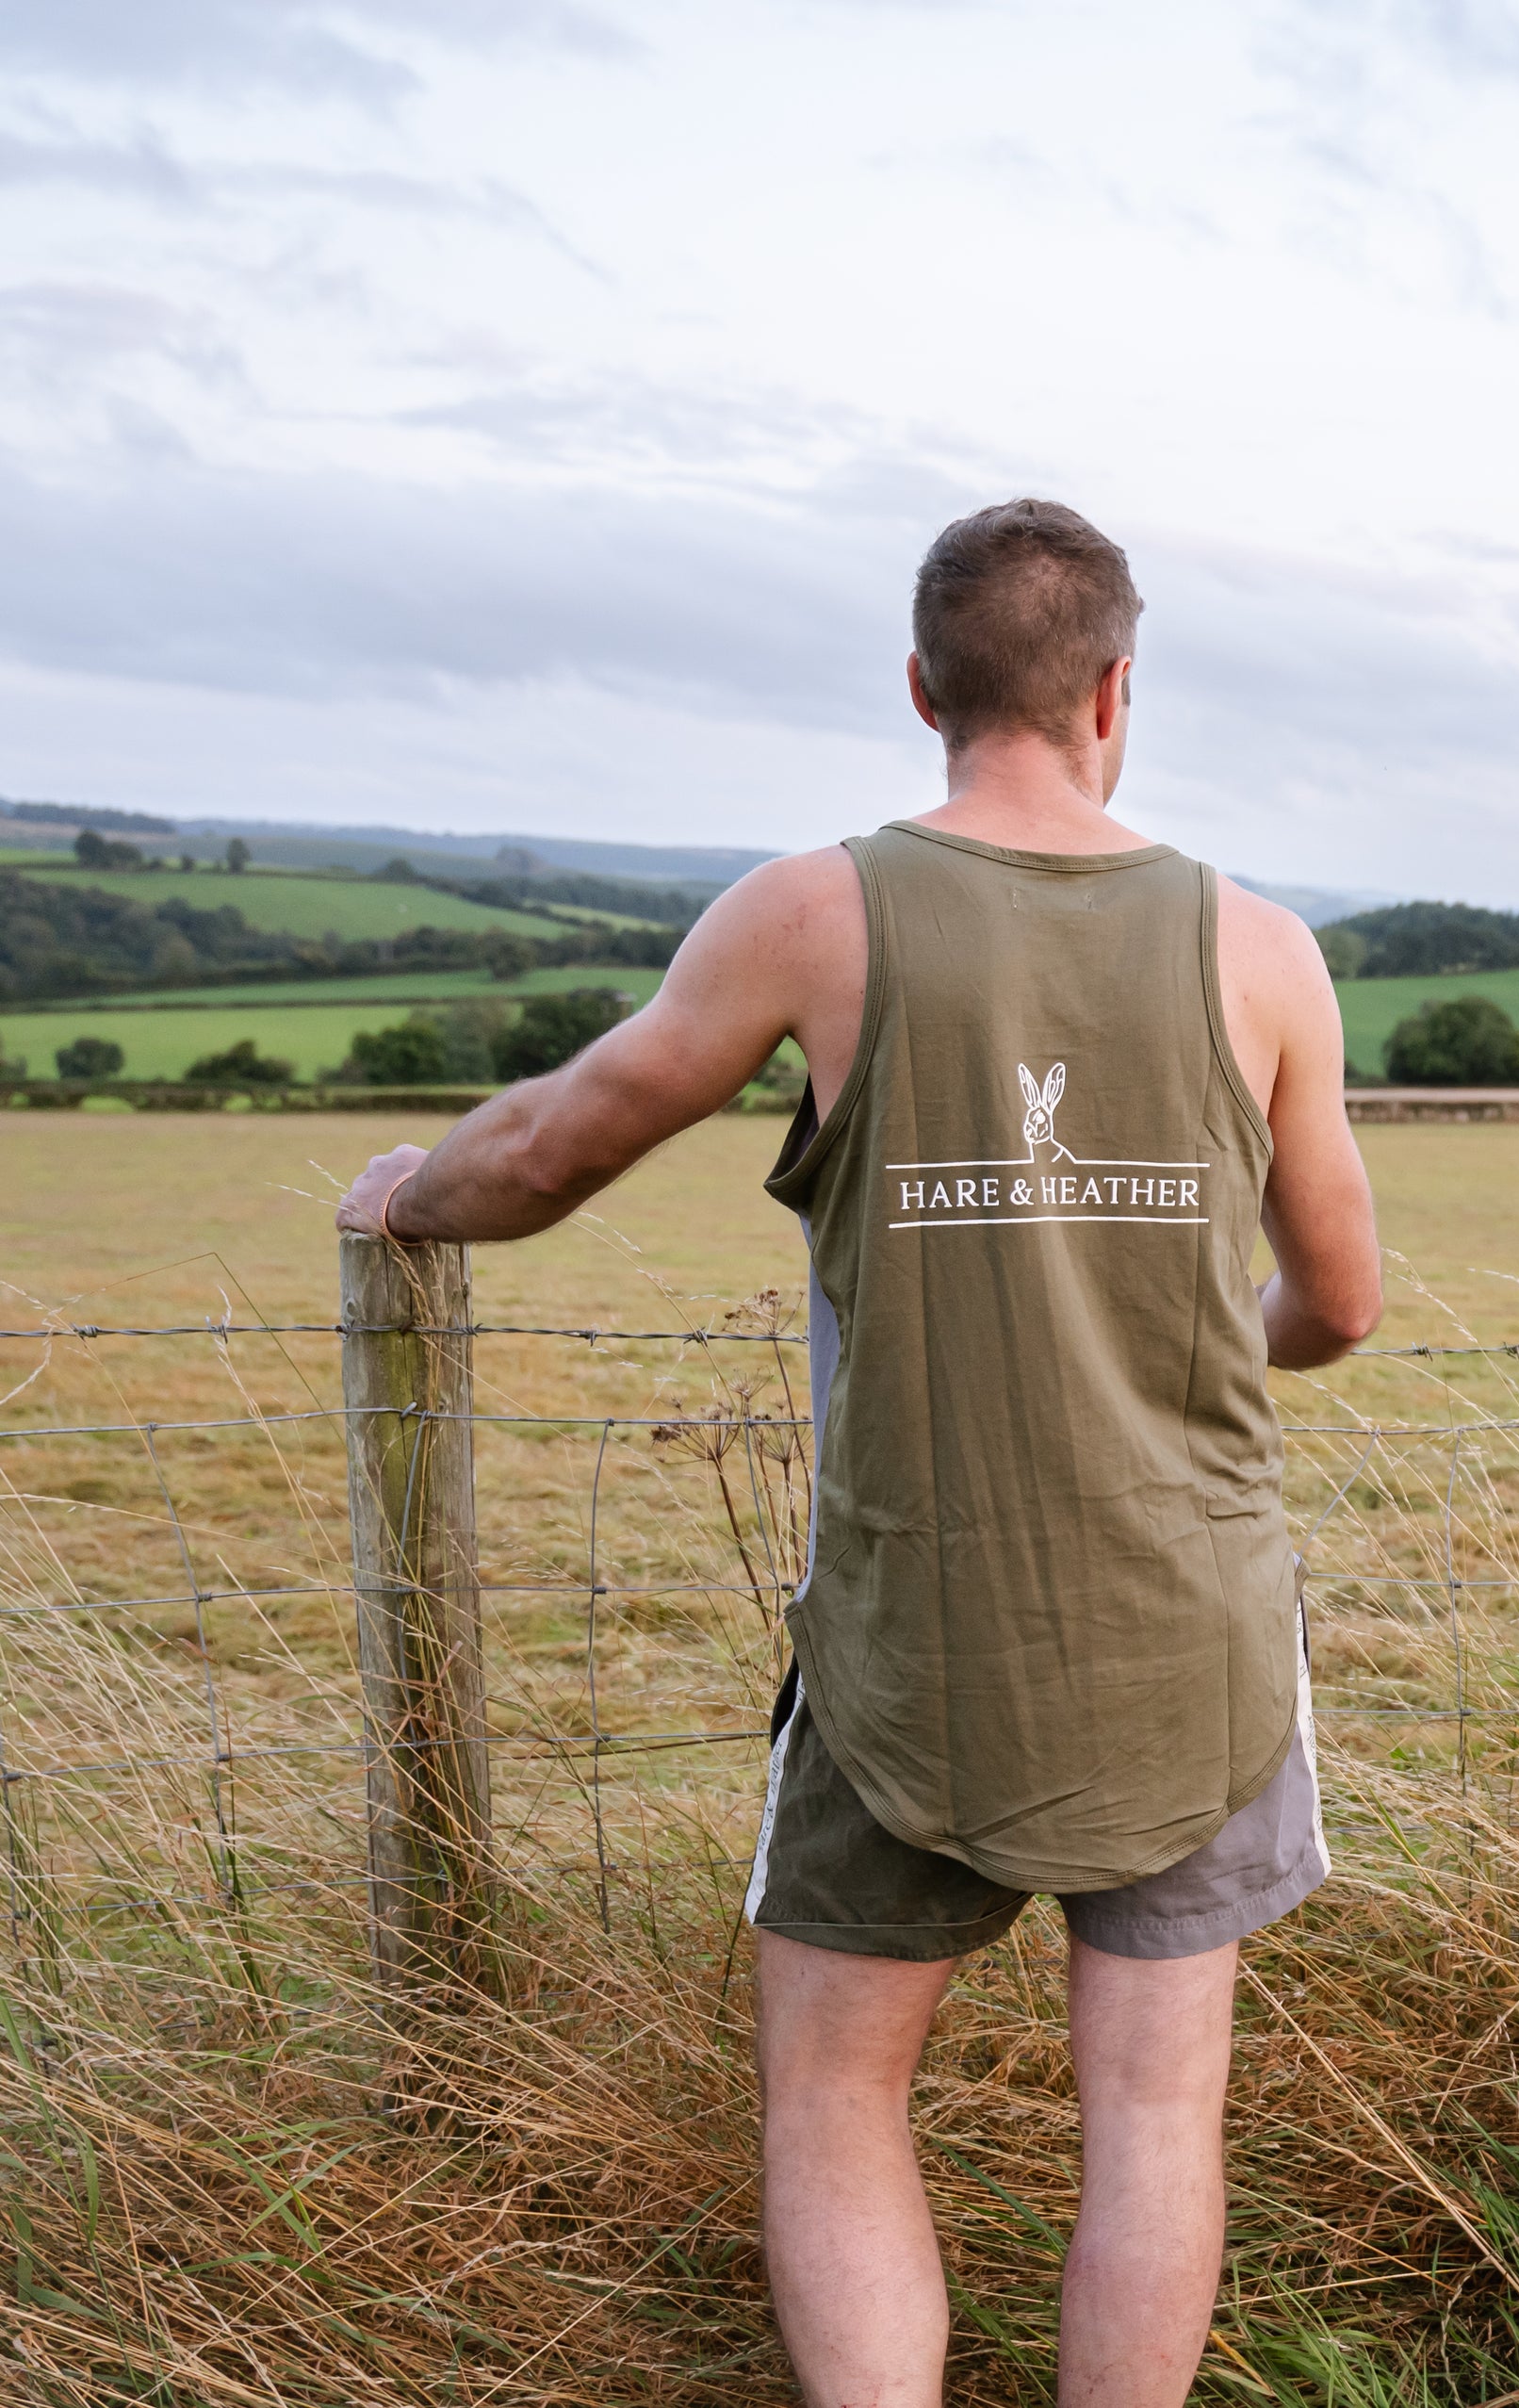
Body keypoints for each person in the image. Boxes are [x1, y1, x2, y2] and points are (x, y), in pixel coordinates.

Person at [335, 498, 1382, 2407]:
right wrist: (1167, 1354)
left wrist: (415, 1197)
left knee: (834, 2088)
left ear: (922, 688)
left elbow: (563, 1141)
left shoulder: (814, 914)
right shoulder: (1264, 953)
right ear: (1117, 693)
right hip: (1195, 1629)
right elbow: (1344, 1300)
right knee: (1153, 2109)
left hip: (917, 1629)